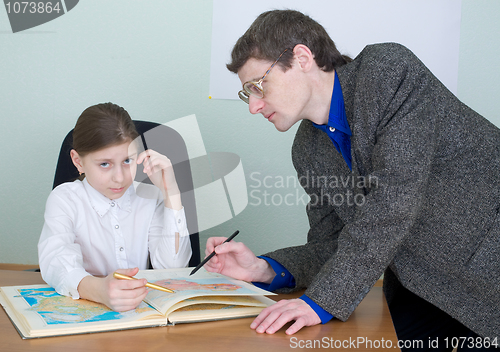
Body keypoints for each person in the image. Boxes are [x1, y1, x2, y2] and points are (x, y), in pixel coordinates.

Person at [204, 9, 500, 350]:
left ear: (302, 58)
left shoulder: (387, 71)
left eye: (258, 86)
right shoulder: (306, 149)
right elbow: (331, 244)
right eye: (247, 94)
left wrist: (321, 302)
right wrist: (266, 269)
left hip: (487, 267)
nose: (254, 106)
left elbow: (393, 203)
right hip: (421, 286)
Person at [38, 102, 191, 312]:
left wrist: (170, 192)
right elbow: (55, 260)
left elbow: (173, 268)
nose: (119, 178)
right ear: (78, 161)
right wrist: (99, 289)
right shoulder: (65, 199)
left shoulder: (149, 196)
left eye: (127, 161)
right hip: (86, 309)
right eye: (104, 164)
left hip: (140, 313)